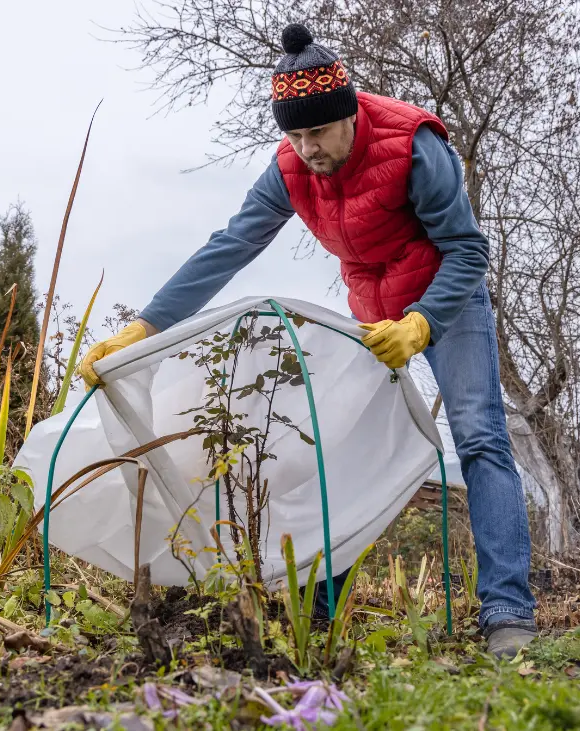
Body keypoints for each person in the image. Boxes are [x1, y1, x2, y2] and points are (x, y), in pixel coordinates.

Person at [78, 23, 538, 658]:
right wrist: (146, 326)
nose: (306, 147)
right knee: (345, 448)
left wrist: (422, 322)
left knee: (481, 437)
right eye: (293, 135)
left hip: (445, 303)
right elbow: (229, 247)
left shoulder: (415, 147)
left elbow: (467, 249)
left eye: (317, 132)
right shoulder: (291, 167)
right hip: (372, 314)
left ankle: (508, 611)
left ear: (348, 113)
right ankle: (323, 606)